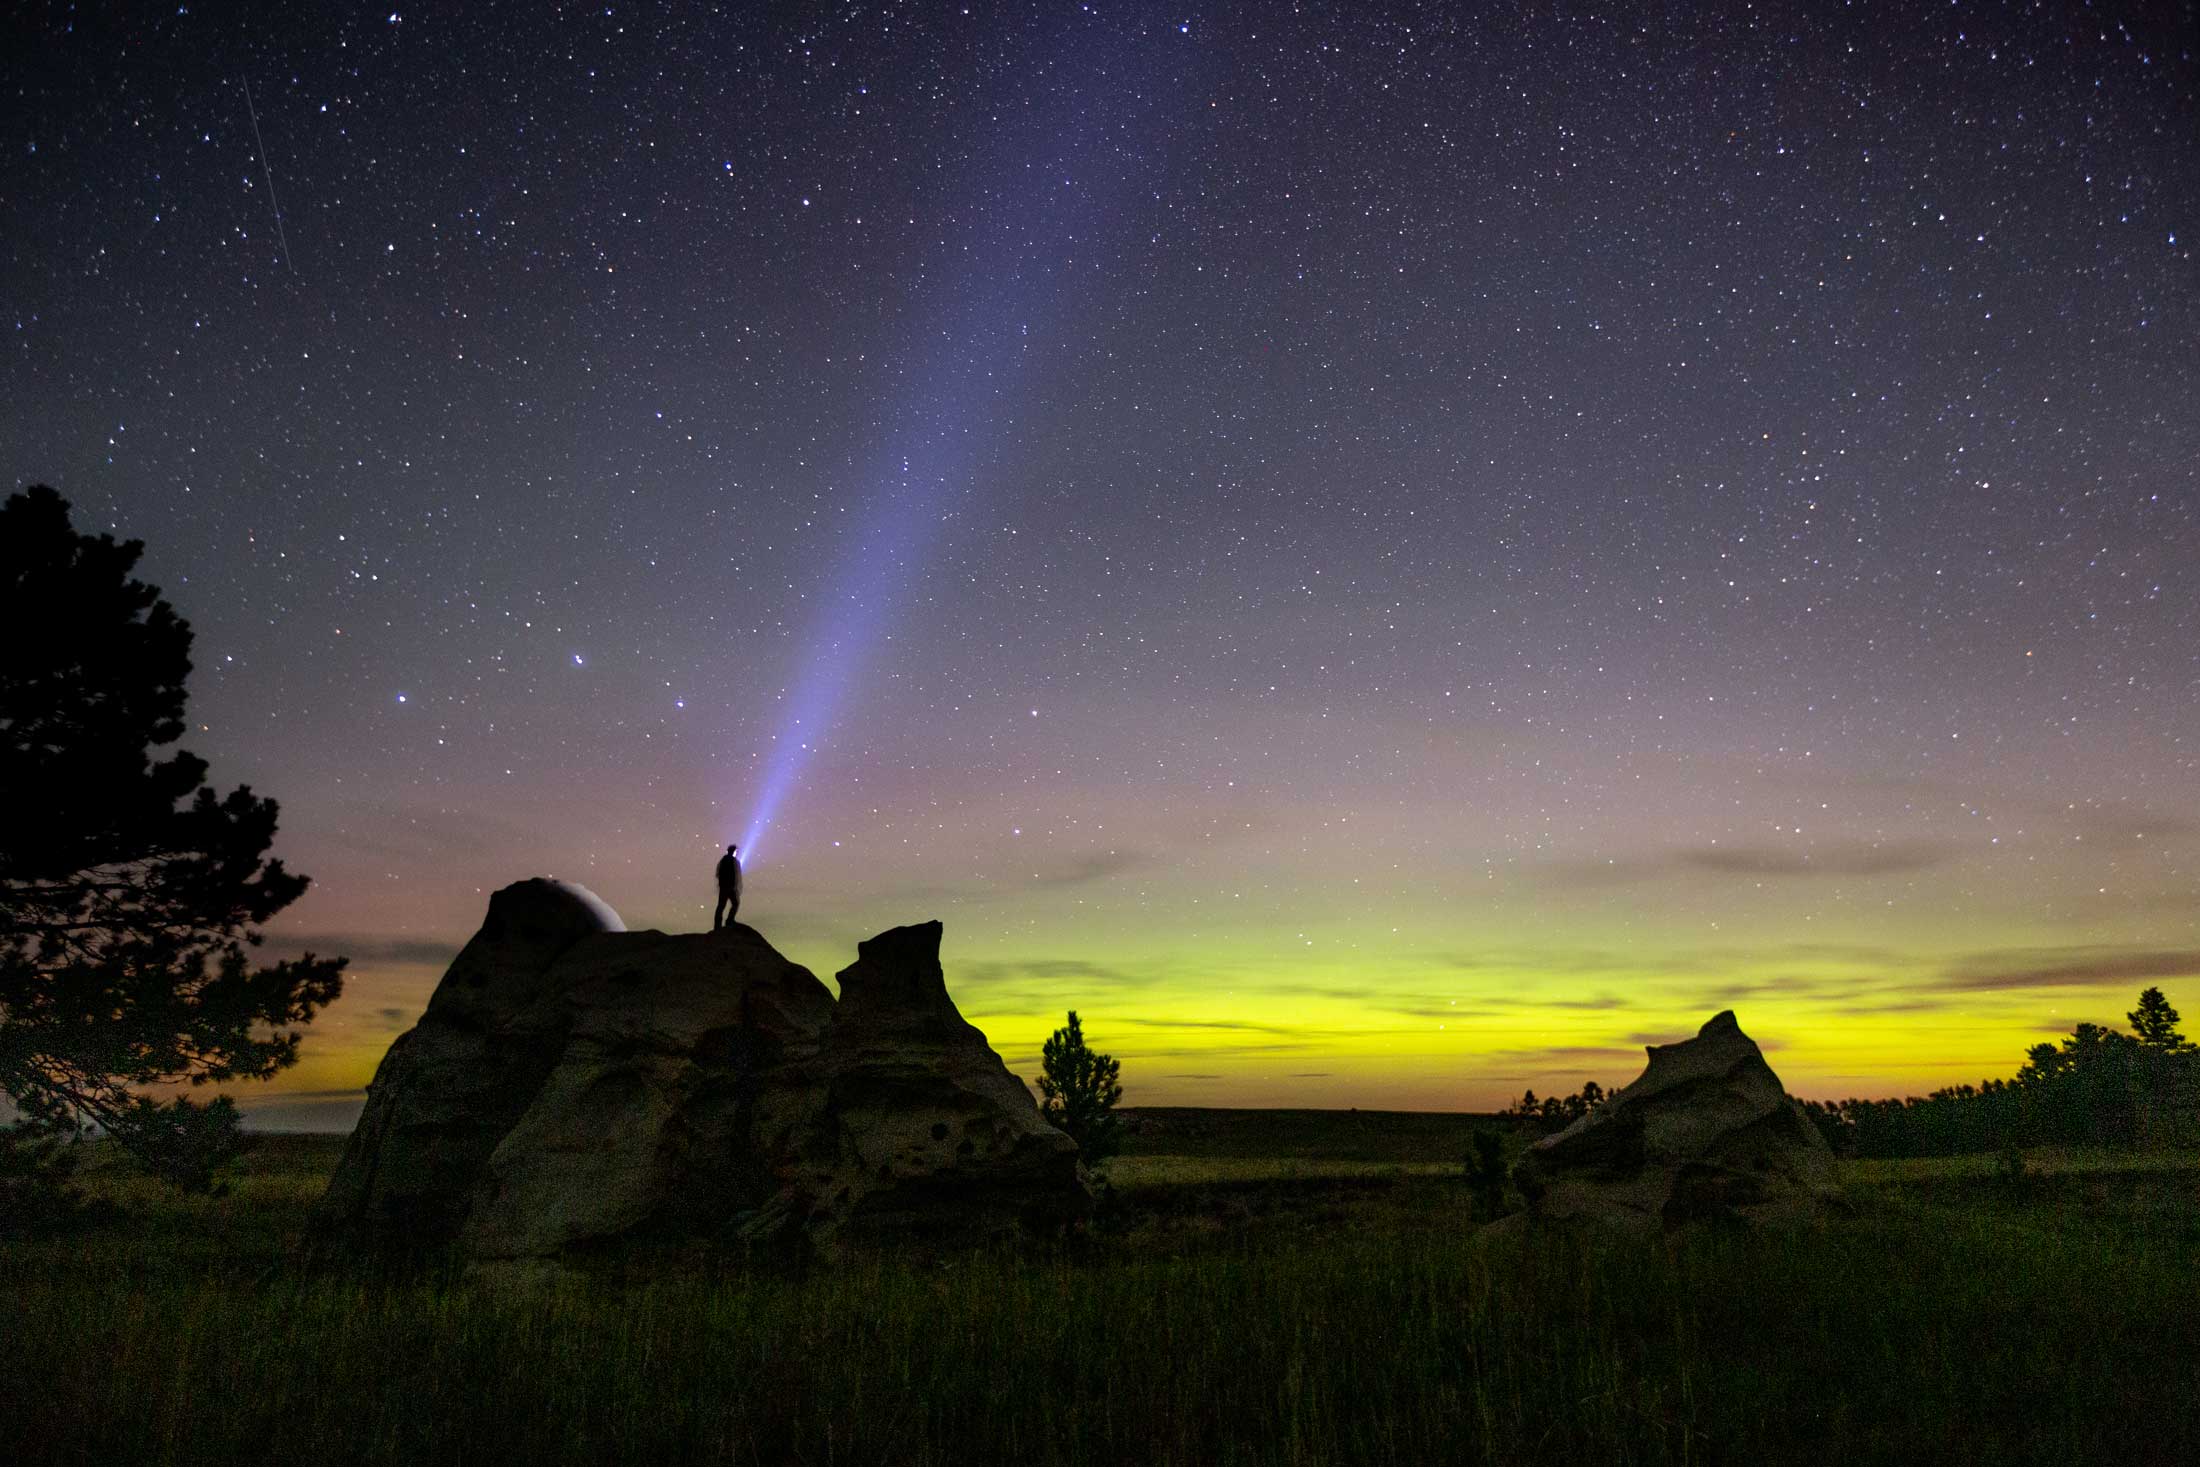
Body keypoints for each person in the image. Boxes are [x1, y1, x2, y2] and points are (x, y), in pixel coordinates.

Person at [713, 843, 743, 930]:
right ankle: (729, 920)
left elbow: (718, 874)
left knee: (721, 905)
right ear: (733, 851)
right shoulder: (732, 861)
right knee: (734, 903)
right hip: (729, 887)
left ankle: (718, 925)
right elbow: (734, 875)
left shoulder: (723, 860)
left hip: (724, 887)